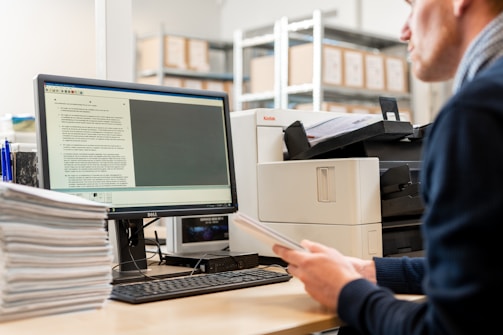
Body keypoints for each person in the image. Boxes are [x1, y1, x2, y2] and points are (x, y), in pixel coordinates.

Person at [272, 0, 503, 334]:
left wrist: (346, 293)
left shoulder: (476, 113)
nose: (404, 30)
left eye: (413, 6)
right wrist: (373, 273)